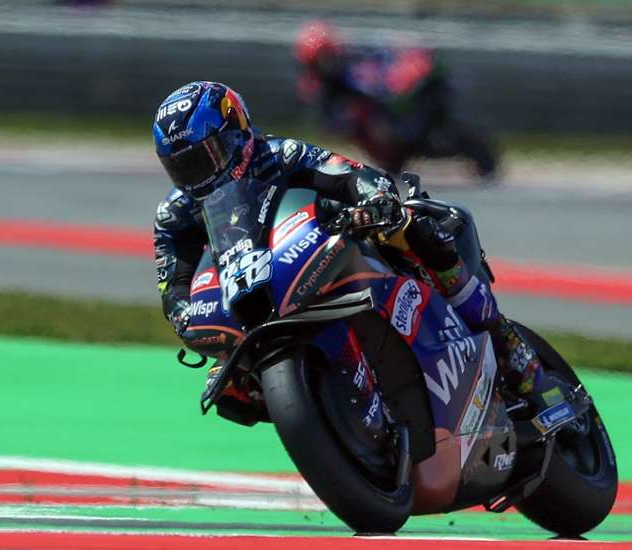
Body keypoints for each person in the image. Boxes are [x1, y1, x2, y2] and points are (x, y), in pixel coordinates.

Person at [152, 81, 561, 418]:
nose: (199, 174)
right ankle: (323, 410)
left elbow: (348, 173)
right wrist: (183, 312)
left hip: (329, 243)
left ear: (237, 131)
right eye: (184, 167)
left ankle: (502, 338)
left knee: (412, 226)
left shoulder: (280, 155)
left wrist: (373, 201)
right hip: (257, 285)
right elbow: (174, 282)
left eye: (208, 156)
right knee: (229, 391)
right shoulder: (175, 215)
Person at [295, 20, 498, 181]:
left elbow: (381, 66)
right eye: (320, 59)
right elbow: (332, 123)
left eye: (327, 56)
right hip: (374, 128)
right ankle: (395, 146)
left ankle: (406, 137)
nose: (327, 63)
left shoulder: (354, 60)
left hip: (390, 106)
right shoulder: (318, 88)